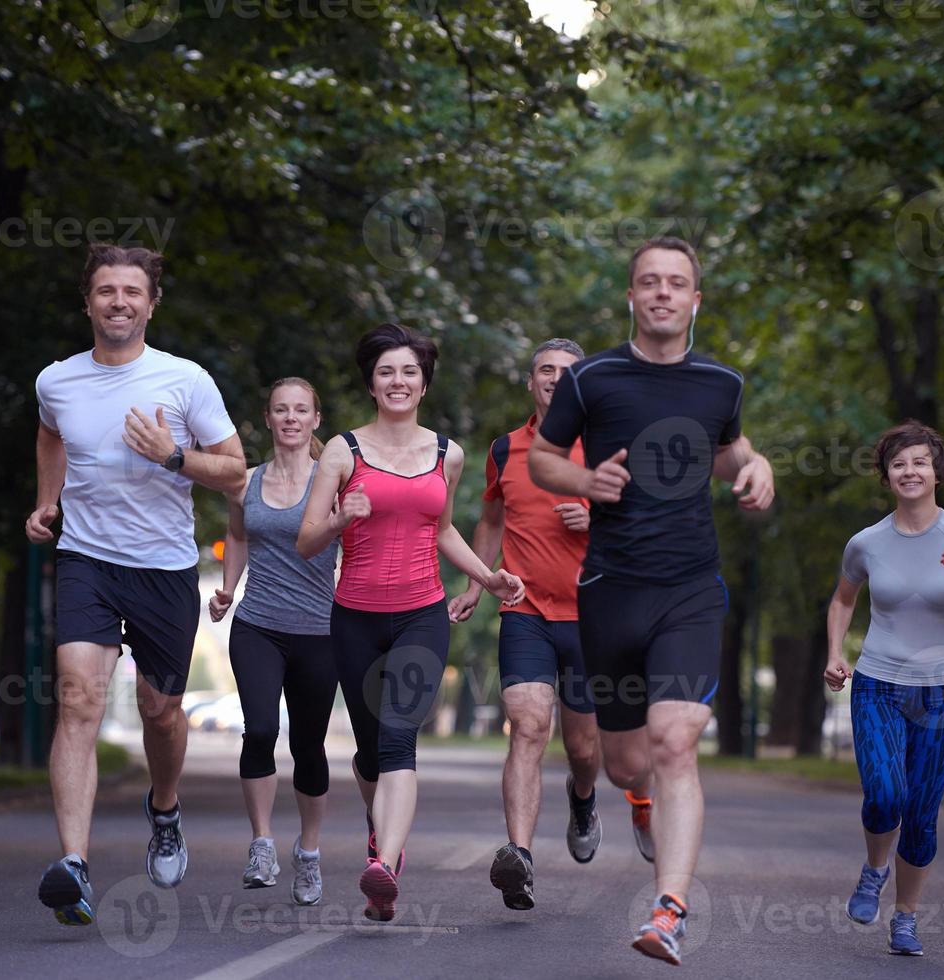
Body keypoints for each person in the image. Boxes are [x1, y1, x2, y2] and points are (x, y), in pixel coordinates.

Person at [528, 236, 775, 965]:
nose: (663, 293)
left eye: (677, 284)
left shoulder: (721, 383)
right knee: (628, 763)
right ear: (632, 297)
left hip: (690, 589)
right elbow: (544, 457)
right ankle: (633, 801)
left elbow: (728, 446)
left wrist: (756, 467)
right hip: (610, 592)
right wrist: (584, 482)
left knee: (674, 744)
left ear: (695, 300)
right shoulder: (591, 379)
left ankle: (669, 910)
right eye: (649, 283)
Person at [26, 243, 246, 926]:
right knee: (78, 703)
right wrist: (46, 502)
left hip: (164, 567)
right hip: (86, 560)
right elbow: (50, 437)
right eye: (104, 290)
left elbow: (237, 470)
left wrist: (174, 456)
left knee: (160, 712)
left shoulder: (185, 380)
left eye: (131, 291)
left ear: (152, 303)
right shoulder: (56, 381)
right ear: (87, 301)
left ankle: (165, 807)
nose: (118, 301)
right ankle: (74, 866)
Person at [297, 322, 525, 923]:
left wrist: (488, 576)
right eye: (386, 372)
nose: (398, 381)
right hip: (354, 619)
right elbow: (305, 541)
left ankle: (385, 864)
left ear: (424, 384)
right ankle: (382, 837)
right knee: (371, 752)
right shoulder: (343, 451)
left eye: (409, 372)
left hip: (422, 614)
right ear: (371, 384)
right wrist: (343, 518)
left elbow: (443, 529)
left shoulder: (447, 454)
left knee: (401, 736)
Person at [823, 420, 944, 956]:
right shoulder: (867, 543)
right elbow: (842, 600)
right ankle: (874, 870)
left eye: (920, 462)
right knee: (884, 795)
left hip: (940, 693)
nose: (910, 471)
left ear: (937, 472)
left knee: (922, 815)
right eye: (899, 463)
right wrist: (835, 653)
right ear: (887, 476)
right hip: (876, 682)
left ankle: (905, 918)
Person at [448, 338, 603, 912]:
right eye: (545, 371)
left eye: (567, 373)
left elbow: (642, 526)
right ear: (531, 382)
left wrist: (594, 516)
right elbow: (490, 518)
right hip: (525, 610)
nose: (555, 380)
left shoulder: (607, 444)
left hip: (592, 618)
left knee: (584, 748)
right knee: (529, 724)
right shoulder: (503, 449)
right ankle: (520, 856)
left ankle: (583, 797)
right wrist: (476, 584)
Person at [208, 377, 340, 906]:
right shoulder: (246, 481)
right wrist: (226, 589)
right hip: (258, 624)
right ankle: (261, 842)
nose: (290, 418)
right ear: (267, 419)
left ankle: (308, 853)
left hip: (319, 631)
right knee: (260, 729)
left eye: (300, 410)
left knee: (308, 745)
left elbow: (352, 547)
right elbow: (238, 535)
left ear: (315, 420)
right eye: (281, 410)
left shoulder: (333, 483)